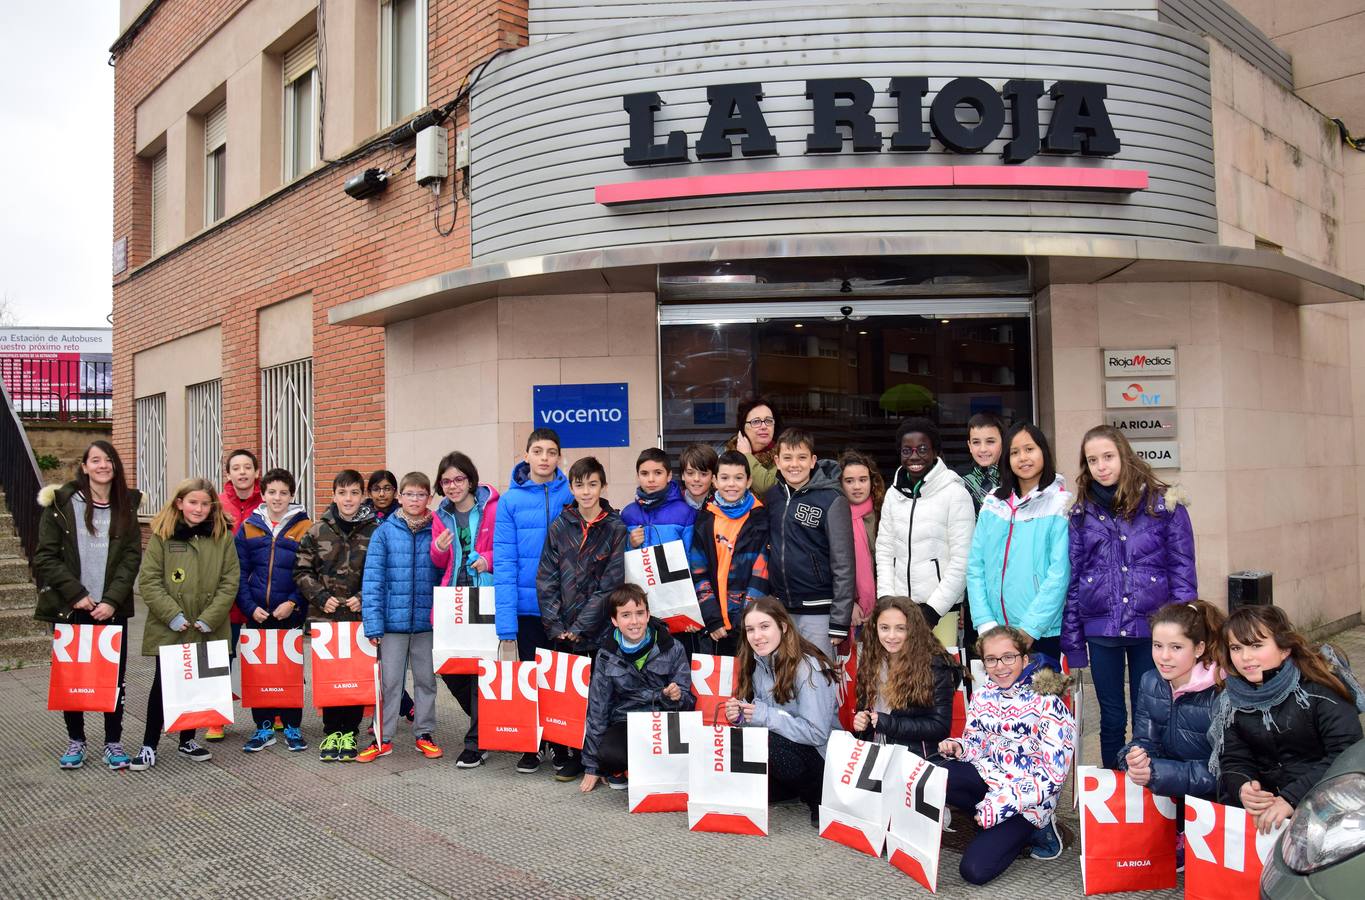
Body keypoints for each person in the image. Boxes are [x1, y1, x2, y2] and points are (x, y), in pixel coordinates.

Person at [1063, 424, 1198, 767]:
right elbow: (1075, 578)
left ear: (1124, 455)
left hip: (1151, 631)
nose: (1101, 466)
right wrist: (1075, 644)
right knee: (1110, 719)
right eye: (1092, 460)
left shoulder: (1163, 505)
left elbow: (1182, 569)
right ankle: (1113, 788)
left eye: (1108, 456)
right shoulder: (1081, 513)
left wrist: (1185, 630)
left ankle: (1148, 791)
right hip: (1102, 630)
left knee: (1148, 716)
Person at [33, 441, 142, 771]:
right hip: (72, 607)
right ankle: (76, 740)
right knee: (73, 679)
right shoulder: (62, 503)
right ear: (84, 466)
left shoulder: (127, 505)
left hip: (111, 610)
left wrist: (111, 600)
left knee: (114, 679)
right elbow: (45, 556)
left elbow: (131, 558)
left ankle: (113, 742)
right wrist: (76, 594)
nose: (103, 465)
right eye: (96, 460)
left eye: (108, 460)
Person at [937, 625, 1075, 884]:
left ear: (1024, 659)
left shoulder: (1048, 702)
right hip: (991, 781)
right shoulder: (982, 695)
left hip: (1029, 801)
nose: (1000, 666)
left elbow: (1053, 776)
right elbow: (976, 742)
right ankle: (990, 822)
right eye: (991, 659)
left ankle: (1041, 829)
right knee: (937, 774)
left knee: (974, 871)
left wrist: (1000, 806)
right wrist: (960, 747)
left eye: (1008, 657)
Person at [1210, 606, 1364, 834]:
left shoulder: (1319, 688)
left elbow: (1347, 755)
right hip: (1269, 816)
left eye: (1256, 645)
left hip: (1331, 807)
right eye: (1236, 647)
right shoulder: (1230, 701)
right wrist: (1244, 787)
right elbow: (1233, 758)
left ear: (1284, 649)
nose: (1245, 657)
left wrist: (1291, 799)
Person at [130, 478, 239, 771]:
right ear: (180, 503)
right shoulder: (163, 535)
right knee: (163, 685)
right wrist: (172, 615)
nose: (199, 509)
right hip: (171, 626)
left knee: (198, 686)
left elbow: (230, 581)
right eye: (193, 502)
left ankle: (187, 740)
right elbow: (149, 581)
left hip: (207, 625)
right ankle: (148, 744)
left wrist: (210, 617)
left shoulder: (222, 536)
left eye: (205, 503)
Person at [537, 456, 628, 781]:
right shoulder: (561, 525)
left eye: (592, 484)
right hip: (562, 631)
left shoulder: (615, 528)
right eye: (579, 485)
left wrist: (580, 627)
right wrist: (556, 625)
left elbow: (611, 585)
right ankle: (575, 755)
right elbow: (546, 577)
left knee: (602, 697)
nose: (586, 491)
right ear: (571, 487)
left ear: (602, 486)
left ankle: (602, 758)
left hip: (601, 631)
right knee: (571, 700)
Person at [1118, 601, 1226, 870]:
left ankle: (1196, 838)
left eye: (1176, 647)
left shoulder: (1224, 689)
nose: (1164, 657)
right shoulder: (1150, 681)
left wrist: (1157, 773)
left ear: (1199, 648)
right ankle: (1178, 833)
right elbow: (1145, 740)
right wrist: (1134, 759)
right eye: (1157, 646)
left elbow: (1225, 769)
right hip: (1175, 788)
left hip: (1218, 795)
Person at [493, 428, 572, 774]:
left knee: (561, 679)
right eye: (537, 451)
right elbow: (505, 560)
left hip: (564, 606)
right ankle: (532, 744)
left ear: (559, 457)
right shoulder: (510, 501)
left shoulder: (572, 494)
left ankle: (562, 744)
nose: (544, 458)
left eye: (551, 452)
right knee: (532, 678)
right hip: (527, 608)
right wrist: (506, 622)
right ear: (526, 455)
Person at [725, 597, 838, 825]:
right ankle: (791, 790)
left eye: (765, 627)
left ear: (783, 627)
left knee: (770, 743)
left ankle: (819, 798)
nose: (757, 636)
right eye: (750, 630)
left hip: (823, 758)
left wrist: (762, 715)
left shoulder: (808, 668)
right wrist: (740, 716)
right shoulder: (757, 662)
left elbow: (816, 734)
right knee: (735, 745)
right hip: (788, 748)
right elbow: (761, 715)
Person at [966, 423, 1072, 661]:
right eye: (1015, 452)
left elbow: (1059, 574)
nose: (1023, 458)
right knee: (997, 698)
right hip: (994, 631)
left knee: (1040, 697)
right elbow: (975, 566)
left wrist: (1029, 629)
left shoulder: (1059, 504)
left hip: (1040, 632)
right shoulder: (994, 502)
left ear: (1043, 451)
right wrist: (984, 622)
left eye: (1029, 449)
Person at [358, 472, 443, 763]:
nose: (415, 500)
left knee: (426, 681)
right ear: (400, 497)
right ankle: (383, 737)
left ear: (429, 498)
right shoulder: (384, 532)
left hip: (426, 623)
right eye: (409, 494)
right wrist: (373, 623)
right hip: (392, 625)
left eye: (421, 495)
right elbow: (372, 581)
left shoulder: (438, 529)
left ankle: (425, 733)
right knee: (389, 682)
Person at [294, 469, 378, 762]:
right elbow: (301, 571)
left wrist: (363, 598)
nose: (348, 499)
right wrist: (321, 597)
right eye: (342, 493)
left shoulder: (374, 530)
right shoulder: (317, 531)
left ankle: (349, 733)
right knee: (331, 677)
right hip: (325, 618)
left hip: (358, 620)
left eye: (354, 493)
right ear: (333, 496)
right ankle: (331, 731)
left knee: (355, 677)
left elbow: (382, 573)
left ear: (362, 496)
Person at [579, 584, 694, 792]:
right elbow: (598, 709)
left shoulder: (672, 647)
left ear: (648, 615)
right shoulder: (606, 655)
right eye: (625, 615)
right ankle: (620, 768)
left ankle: (639, 768)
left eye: (640, 613)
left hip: (663, 720)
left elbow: (689, 702)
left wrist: (674, 696)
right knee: (609, 755)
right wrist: (593, 766)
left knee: (691, 756)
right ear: (614, 621)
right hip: (626, 721)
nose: (634, 621)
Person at [874, 418, 976, 648]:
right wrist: (886, 600)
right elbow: (884, 550)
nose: (914, 456)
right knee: (901, 679)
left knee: (937, 678)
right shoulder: (893, 494)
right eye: (906, 450)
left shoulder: (955, 493)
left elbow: (963, 560)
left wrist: (932, 610)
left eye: (922, 449)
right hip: (898, 612)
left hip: (939, 612)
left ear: (935, 451)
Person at [429, 450, 500, 769]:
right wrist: (438, 549)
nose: (453, 486)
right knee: (451, 668)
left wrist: (489, 560)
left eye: (458, 479)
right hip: (453, 599)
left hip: (484, 597)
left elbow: (507, 547)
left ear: (470, 479)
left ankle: (476, 743)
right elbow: (439, 562)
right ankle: (487, 722)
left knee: (479, 670)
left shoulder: (493, 508)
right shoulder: (440, 515)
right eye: (446, 481)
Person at [235, 468, 312, 753]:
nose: (277, 498)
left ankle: (292, 726)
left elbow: (308, 571)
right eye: (271, 492)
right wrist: (249, 606)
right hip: (257, 613)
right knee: (259, 673)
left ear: (292, 495)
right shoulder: (249, 526)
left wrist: (293, 602)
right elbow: (239, 573)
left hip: (288, 612)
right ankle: (263, 727)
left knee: (288, 671)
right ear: (263, 494)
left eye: (283, 492)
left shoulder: (305, 527)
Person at [764, 428, 855, 659]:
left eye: (802, 457)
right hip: (781, 609)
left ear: (813, 460)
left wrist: (839, 620)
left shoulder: (832, 499)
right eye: (787, 457)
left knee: (819, 679)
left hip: (819, 611)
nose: (794, 464)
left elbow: (844, 562)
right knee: (784, 681)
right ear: (777, 461)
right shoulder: (772, 497)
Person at [851, 597, 961, 759]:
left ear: (914, 629)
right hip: (875, 755)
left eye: (900, 628)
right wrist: (863, 721)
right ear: (875, 628)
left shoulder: (935, 665)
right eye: (884, 628)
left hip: (917, 758)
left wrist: (889, 724)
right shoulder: (870, 660)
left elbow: (939, 726)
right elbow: (870, 713)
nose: (891, 636)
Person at [688, 450, 770, 656]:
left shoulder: (760, 518)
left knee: (752, 684)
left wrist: (747, 620)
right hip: (716, 627)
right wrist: (713, 618)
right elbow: (698, 572)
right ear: (714, 481)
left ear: (749, 481)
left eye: (738, 478)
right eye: (724, 478)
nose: (731, 484)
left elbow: (762, 573)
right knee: (722, 686)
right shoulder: (705, 519)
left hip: (750, 626)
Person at [213, 447, 261, 741]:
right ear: (228, 474)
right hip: (226, 593)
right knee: (222, 655)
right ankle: (215, 717)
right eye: (236, 468)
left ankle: (275, 709)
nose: (242, 472)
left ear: (256, 472)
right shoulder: (216, 504)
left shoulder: (268, 500)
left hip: (259, 594)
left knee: (264, 654)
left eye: (247, 467)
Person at [837, 449, 884, 638]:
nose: (857, 486)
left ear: (872, 482)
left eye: (863, 480)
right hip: (848, 608)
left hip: (883, 606)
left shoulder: (884, 512)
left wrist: (882, 603)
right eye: (849, 481)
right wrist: (848, 603)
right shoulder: (834, 516)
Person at [621, 447, 696, 553]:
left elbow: (694, 560)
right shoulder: (628, 513)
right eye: (644, 473)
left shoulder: (685, 512)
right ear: (637, 477)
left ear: (669, 476)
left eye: (658, 473)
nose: (651, 479)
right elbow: (616, 559)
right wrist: (630, 544)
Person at [725, 396, 781, 497]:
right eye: (756, 421)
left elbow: (767, 488)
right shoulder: (727, 456)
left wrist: (747, 456)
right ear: (743, 427)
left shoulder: (782, 456)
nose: (764, 426)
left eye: (768, 421)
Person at [959, 413, 1005, 514]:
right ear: (969, 446)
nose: (983, 449)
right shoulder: (961, 483)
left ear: (1003, 442)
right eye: (976, 442)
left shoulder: (1013, 480)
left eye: (990, 441)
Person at [679, 442, 718, 512]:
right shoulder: (674, 502)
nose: (696, 479)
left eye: (703, 474)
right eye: (690, 473)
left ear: (713, 477)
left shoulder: (723, 505)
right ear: (682, 475)